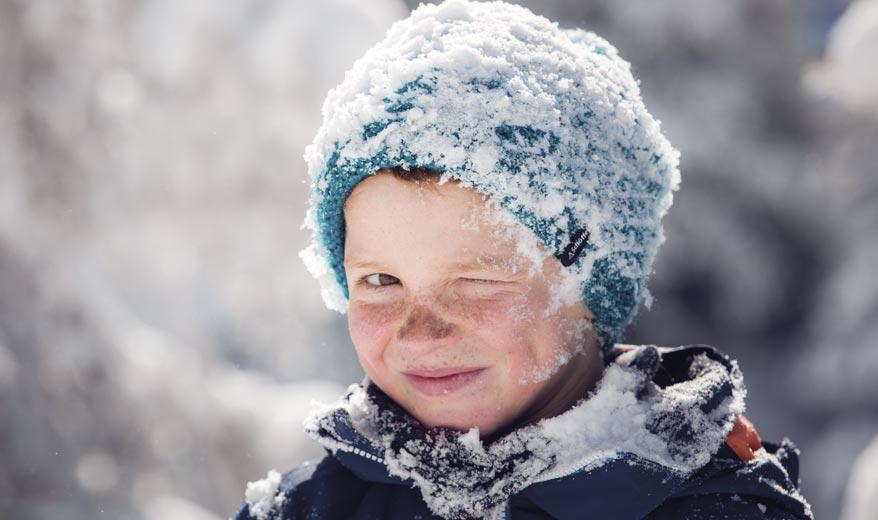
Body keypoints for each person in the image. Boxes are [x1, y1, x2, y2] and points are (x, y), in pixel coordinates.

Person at [233, 1, 812, 518]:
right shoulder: (304, 509)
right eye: (382, 280)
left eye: (475, 279)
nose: (421, 333)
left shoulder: (720, 510)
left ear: (591, 282)